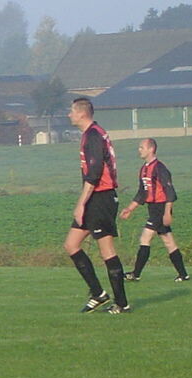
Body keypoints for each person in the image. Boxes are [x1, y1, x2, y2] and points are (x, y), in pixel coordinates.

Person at [63, 98, 130, 314]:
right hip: (95, 197)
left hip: (101, 197)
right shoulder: (91, 133)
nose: (69, 115)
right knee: (71, 245)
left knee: (106, 250)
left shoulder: (93, 135)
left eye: (72, 111)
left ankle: (122, 303)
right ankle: (98, 293)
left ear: (82, 113)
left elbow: (94, 174)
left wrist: (80, 204)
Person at [120, 138, 189, 282]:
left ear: (151, 149)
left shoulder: (159, 168)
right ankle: (183, 274)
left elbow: (169, 191)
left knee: (145, 238)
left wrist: (167, 212)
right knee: (168, 241)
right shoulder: (144, 169)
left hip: (161, 208)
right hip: (153, 208)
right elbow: (142, 193)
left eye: (142, 147)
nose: (139, 150)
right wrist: (130, 209)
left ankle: (136, 274)